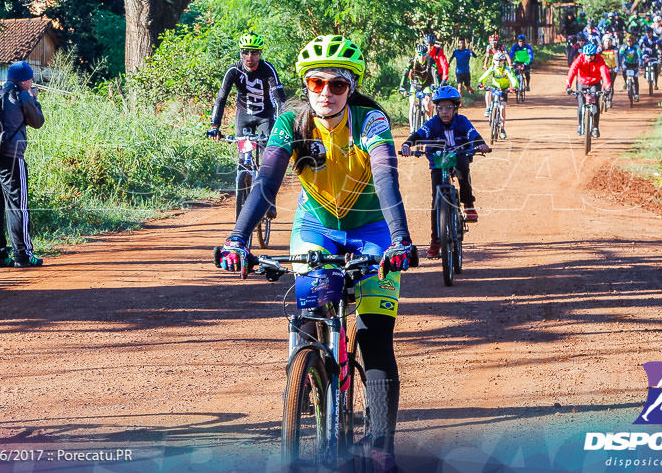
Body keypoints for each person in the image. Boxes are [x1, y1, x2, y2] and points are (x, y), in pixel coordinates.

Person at [217, 34, 413, 472]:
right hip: (316, 229)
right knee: (308, 315)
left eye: (337, 85)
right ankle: (310, 377)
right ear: (305, 85)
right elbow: (266, 181)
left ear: (352, 86)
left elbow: (386, 178)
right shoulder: (290, 122)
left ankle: (381, 446)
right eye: (316, 83)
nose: (326, 93)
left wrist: (400, 239)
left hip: (373, 231)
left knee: (375, 335)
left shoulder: (371, 121)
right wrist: (238, 238)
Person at [401, 86, 490, 240]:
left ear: (456, 108)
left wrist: (481, 144)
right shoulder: (433, 123)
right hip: (438, 160)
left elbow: (473, 134)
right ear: (435, 109)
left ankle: (468, 204)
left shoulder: (462, 121)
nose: (444, 112)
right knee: (436, 199)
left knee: (463, 168)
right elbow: (420, 133)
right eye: (440, 108)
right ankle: (435, 240)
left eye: (449, 107)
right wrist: (407, 144)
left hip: (459, 156)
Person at [0, 61, 45, 268]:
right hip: (11, 156)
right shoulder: (22, 95)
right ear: (25, 80)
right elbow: (38, 122)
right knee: (18, 205)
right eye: (30, 79)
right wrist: (34, 99)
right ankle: (23, 254)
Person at [208, 33, 286, 140]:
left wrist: (281, 125)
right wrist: (214, 125)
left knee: (269, 154)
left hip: (266, 116)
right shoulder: (234, 70)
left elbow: (279, 99)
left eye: (254, 52)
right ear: (240, 53)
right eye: (245, 52)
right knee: (244, 156)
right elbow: (221, 98)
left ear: (260, 53)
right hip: (244, 115)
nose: (250, 56)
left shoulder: (268, 69)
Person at [565, 43, 613, 138]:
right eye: (587, 55)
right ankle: (579, 125)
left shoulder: (599, 60)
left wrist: (607, 87)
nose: (589, 57)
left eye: (591, 55)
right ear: (584, 54)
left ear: (595, 55)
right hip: (581, 82)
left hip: (595, 83)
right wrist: (568, 86)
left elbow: (604, 72)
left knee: (595, 105)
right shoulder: (580, 58)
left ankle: (595, 127)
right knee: (581, 104)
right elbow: (572, 71)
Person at [476, 53, 518, 137]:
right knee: (488, 92)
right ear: (493, 61)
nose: (498, 62)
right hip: (494, 87)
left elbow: (512, 77)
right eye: (496, 60)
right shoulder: (492, 69)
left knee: (502, 107)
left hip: (504, 89)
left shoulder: (506, 70)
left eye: (500, 60)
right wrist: (480, 83)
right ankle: (488, 108)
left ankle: (502, 129)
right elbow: (485, 75)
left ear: (503, 61)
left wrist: (514, 87)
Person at [399, 44, 440, 118]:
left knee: (427, 104)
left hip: (427, 85)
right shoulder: (412, 61)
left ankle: (430, 120)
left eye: (424, 54)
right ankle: (412, 129)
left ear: (427, 54)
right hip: (415, 84)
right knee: (411, 106)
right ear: (416, 54)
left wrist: (437, 87)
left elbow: (435, 74)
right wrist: (402, 87)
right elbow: (405, 73)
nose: (422, 57)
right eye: (420, 54)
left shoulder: (431, 61)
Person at [617, 34, 642, 100]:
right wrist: (619, 64)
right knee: (624, 71)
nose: (629, 42)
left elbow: (640, 55)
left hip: (635, 64)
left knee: (636, 79)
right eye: (628, 41)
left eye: (631, 41)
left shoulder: (636, 47)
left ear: (633, 41)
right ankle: (625, 82)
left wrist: (641, 63)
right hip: (627, 64)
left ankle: (637, 94)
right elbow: (621, 56)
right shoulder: (623, 47)